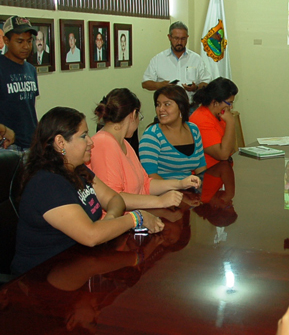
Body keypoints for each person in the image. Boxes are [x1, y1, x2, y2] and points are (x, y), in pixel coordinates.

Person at [11, 107, 165, 276]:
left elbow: (114, 198)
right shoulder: (47, 183)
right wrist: (137, 217)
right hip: (41, 279)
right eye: (84, 136)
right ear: (60, 142)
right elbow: (91, 235)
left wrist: (110, 220)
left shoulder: (77, 170)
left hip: (78, 265)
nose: (91, 142)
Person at [89, 88, 202, 209]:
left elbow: (146, 185)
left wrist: (180, 183)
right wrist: (159, 201)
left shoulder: (123, 143)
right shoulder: (104, 143)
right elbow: (113, 198)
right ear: (133, 115)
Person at [140, 84, 208, 177]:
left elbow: (201, 168)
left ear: (181, 107)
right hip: (163, 190)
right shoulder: (152, 135)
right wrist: (176, 189)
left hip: (190, 189)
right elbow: (150, 176)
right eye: (158, 104)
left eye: (167, 104)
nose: (161, 109)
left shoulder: (193, 129)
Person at [142, 21, 212, 103]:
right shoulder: (158, 59)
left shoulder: (196, 59)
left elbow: (207, 82)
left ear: (187, 38)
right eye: (176, 38)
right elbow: (145, 83)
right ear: (169, 37)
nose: (179, 42)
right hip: (167, 108)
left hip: (190, 108)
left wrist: (196, 87)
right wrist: (161, 85)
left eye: (183, 39)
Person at [0, 16, 39, 150]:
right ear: (6, 41)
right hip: (8, 145)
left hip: (31, 143)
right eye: (20, 41)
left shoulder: (31, 69)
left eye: (29, 41)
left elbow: (29, 107)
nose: (26, 46)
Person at [189, 77, 238, 168]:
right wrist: (231, 122)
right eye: (229, 103)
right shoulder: (201, 120)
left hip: (223, 169)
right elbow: (223, 155)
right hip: (209, 173)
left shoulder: (220, 114)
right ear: (215, 102)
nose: (231, 107)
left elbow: (230, 147)